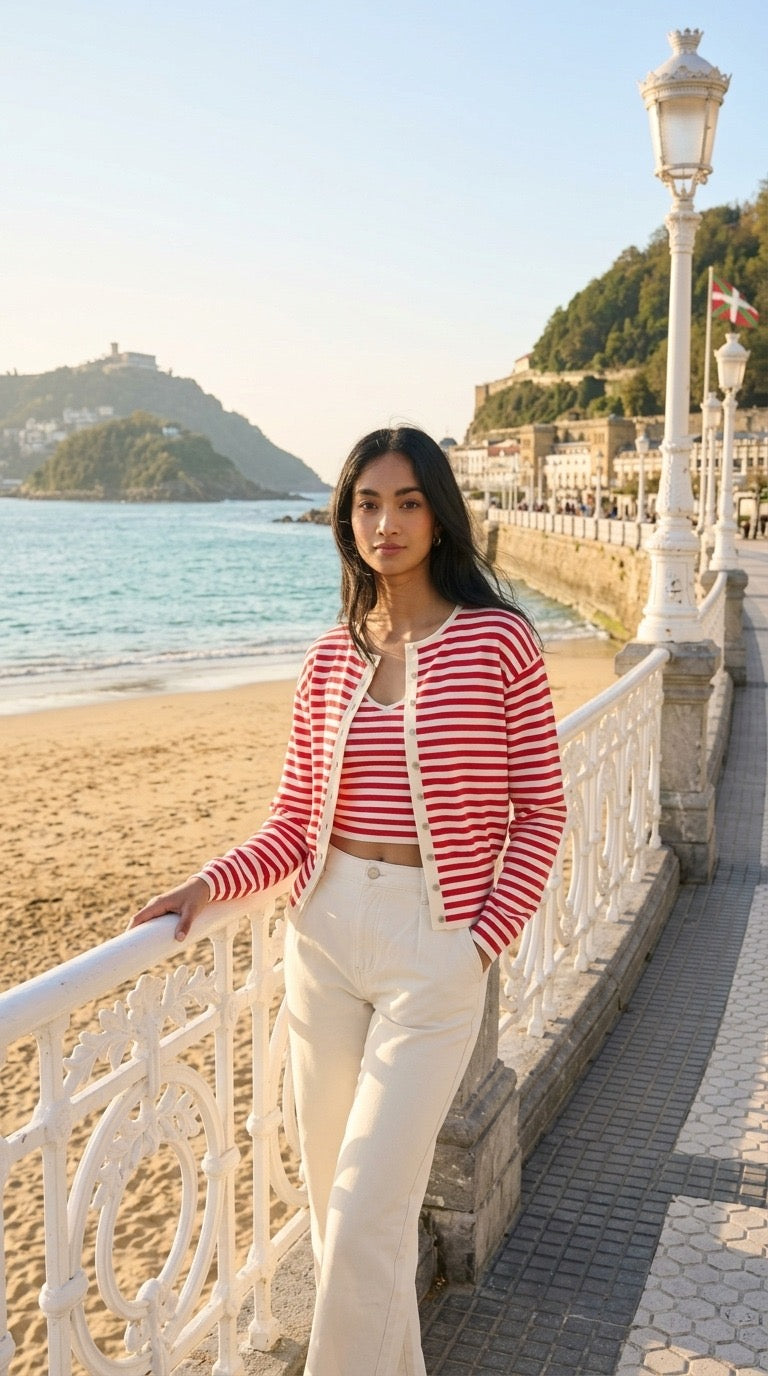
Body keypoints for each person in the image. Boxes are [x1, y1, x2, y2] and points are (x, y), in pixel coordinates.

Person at [129, 426, 567, 1376]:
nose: (387, 521)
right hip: (321, 938)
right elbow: (294, 822)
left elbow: (540, 812)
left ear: (439, 512)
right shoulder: (330, 658)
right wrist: (208, 887)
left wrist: (480, 941)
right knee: (337, 1215)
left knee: (369, 1212)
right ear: (346, 518)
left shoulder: (500, 641)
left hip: (434, 944)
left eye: (408, 501)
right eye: (368, 503)